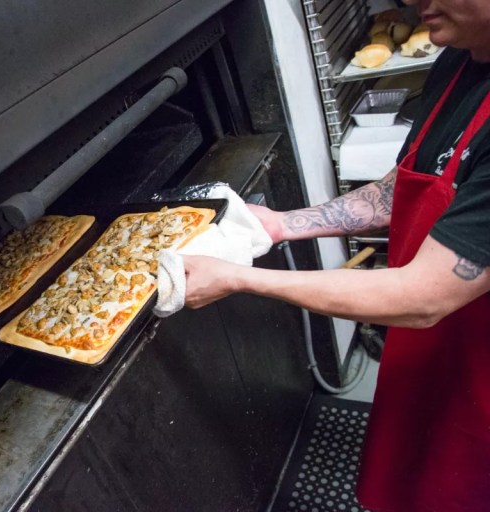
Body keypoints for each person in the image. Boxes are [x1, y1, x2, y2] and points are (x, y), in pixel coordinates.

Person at [182, 0, 490, 510]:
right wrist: (283, 224)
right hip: (428, 345)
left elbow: (423, 296)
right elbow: (400, 188)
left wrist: (240, 278)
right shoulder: (458, 60)